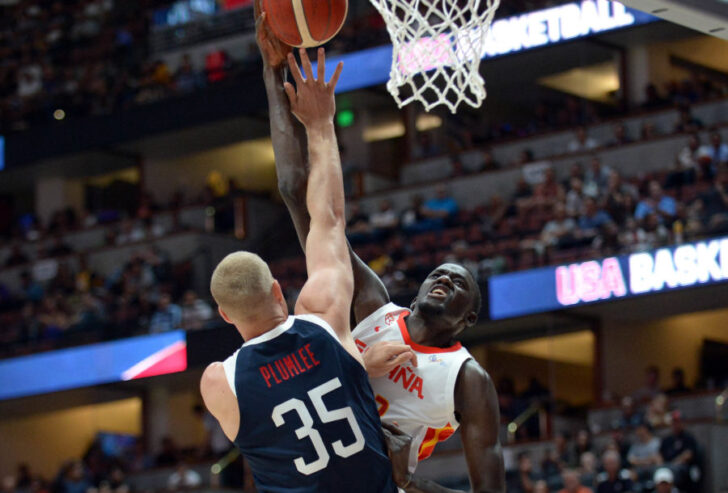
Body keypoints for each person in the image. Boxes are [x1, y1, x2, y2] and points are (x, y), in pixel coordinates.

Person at [263, 10, 505, 493]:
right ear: (414, 295)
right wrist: (274, 71)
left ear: (469, 319)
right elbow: (297, 193)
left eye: (460, 285)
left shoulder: (467, 379)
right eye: (440, 273)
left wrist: (411, 486)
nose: (446, 280)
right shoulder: (372, 305)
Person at [200, 41, 399, 493]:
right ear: (276, 288)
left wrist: (360, 366)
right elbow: (327, 218)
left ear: (225, 315)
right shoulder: (324, 318)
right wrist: (321, 124)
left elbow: (284, 401)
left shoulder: (219, 383)